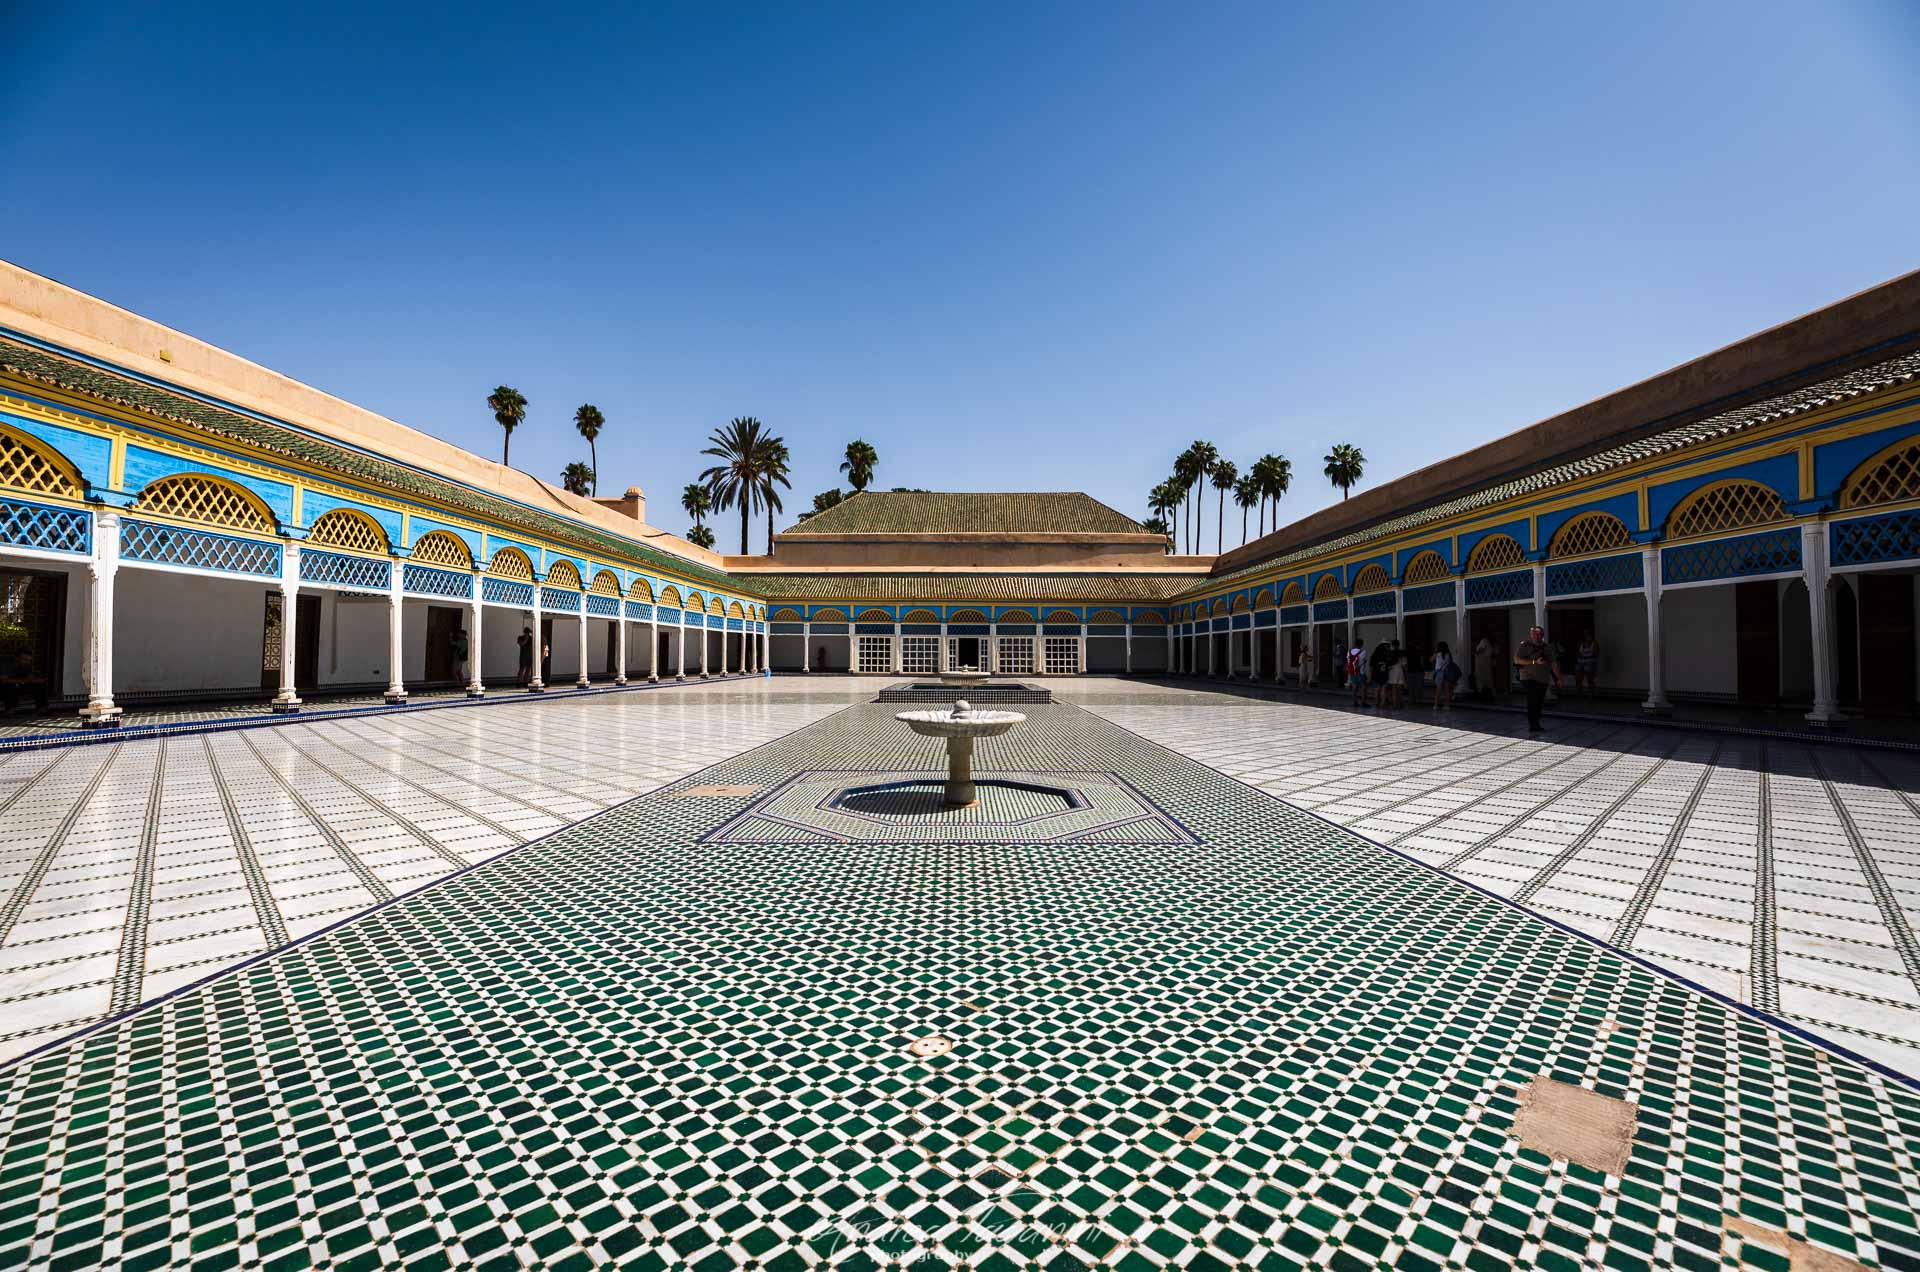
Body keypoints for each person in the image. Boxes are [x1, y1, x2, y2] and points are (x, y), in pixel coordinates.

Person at [1514, 624, 1558, 733]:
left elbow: (1553, 663)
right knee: (1532, 700)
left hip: (1542, 679)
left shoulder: (1547, 647)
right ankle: (1533, 725)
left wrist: (1559, 678)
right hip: (1528, 677)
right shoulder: (1525, 645)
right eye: (1534, 634)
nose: (1536, 636)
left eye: (1539, 634)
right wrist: (1534, 662)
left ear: (1542, 635)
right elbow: (1517, 660)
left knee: (1539, 702)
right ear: (1531, 635)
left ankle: (1536, 724)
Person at [2, 648, 49, 715]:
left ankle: (42, 709)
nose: (27, 662)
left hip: (18, 685)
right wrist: (25, 680)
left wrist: (36, 680)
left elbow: (30, 677)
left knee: (39, 685)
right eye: (25, 660)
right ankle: (9, 711)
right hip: (4, 687)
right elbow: (4, 680)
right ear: (16, 658)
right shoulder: (6, 663)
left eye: (29, 660)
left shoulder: (26, 664)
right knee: (10, 686)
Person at [1432, 641, 1457, 710]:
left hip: (1439, 673)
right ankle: (1447, 705)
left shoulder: (1437, 654)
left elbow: (1431, 660)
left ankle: (1435, 705)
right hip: (1446, 672)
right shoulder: (1448, 654)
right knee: (1447, 690)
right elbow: (1451, 662)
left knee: (1438, 690)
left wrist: (1435, 652)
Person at [1575, 631, 1599, 699]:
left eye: (1588, 636)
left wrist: (1585, 657)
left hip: (1590, 662)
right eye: (1586, 636)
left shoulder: (1594, 644)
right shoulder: (1580, 644)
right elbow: (1577, 653)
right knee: (1578, 677)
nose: (1587, 638)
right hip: (1581, 662)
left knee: (1590, 677)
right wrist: (1580, 658)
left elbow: (1596, 654)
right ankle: (1579, 692)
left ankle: (1591, 692)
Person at [1473, 635, 1495, 700]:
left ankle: (1483, 695)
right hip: (1486, 662)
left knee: (1482, 678)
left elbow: (1481, 650)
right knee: (1487, 678)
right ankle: (1489, 694)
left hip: (1482, 663)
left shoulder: (1484, 641)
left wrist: (1474, 652)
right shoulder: (1488, 642)